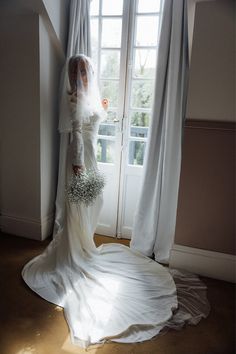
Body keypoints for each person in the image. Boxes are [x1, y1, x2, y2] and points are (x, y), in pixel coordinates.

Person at [22, 54, 209, 348]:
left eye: (85, 71)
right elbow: (75, 135)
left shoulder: (89, 96)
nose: (82, 75)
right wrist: (76, 165)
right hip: (80, 162)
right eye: (78, 71)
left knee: (92, 206)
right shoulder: (73, 99)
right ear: (72, 74)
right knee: (80, 207)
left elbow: (94, 120)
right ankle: (75, 251)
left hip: (90, 159)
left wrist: (104, 109)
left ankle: (84, 245)